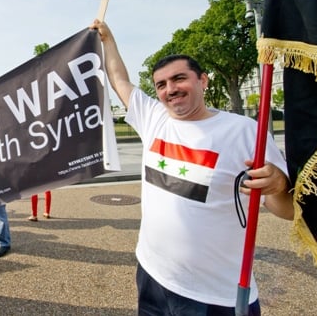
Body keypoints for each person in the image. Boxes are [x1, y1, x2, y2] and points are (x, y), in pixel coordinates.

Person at [93, 19, 294, 315]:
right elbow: (119, 79)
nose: (170, 89)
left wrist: (278, 186)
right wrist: (107, 40)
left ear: (203, 80)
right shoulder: (154, 118)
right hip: (151, 275)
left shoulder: (244, 132)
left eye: (179, 79)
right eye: (161, 84)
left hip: (216, 295)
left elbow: (286, 210)